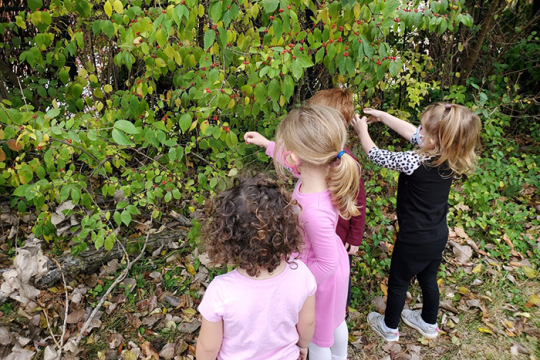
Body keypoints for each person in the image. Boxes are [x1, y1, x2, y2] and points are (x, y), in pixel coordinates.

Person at [352, 103, 481, 341]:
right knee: (428, 279)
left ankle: (389, 328)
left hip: (413, 240)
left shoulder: (414, 160)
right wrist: (384, 115)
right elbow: (411, 133)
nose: (417, 131)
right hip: (438, 235)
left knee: (399, 282)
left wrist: (362, 131)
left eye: (423, 128)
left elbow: (376, 155)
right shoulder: (450, 155)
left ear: (434, 139)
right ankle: (428, 323)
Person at [244, 105, 360, 360]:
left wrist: (297, 284)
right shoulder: (326, 171)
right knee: (336, 322)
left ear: (297, 157)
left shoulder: (313, 211)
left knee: (318, 339)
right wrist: (266, 144)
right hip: (334, 268)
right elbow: (291, 161)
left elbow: (326, 264)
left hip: (320, 278)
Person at [196, 175, 317, 360]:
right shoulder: (301, 274)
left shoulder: (220, 291)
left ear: (227, 237)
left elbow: (207, 347)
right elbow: (307, 323)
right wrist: (303, 346)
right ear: (287, 227)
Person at [307, 88, 367, 309]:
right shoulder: (316, 154)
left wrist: (355, 237)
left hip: (340, 237)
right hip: (319, 233)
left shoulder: (345, 161)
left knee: (339, 278)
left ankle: (339, 313)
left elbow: (359, 200)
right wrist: (268, 145)